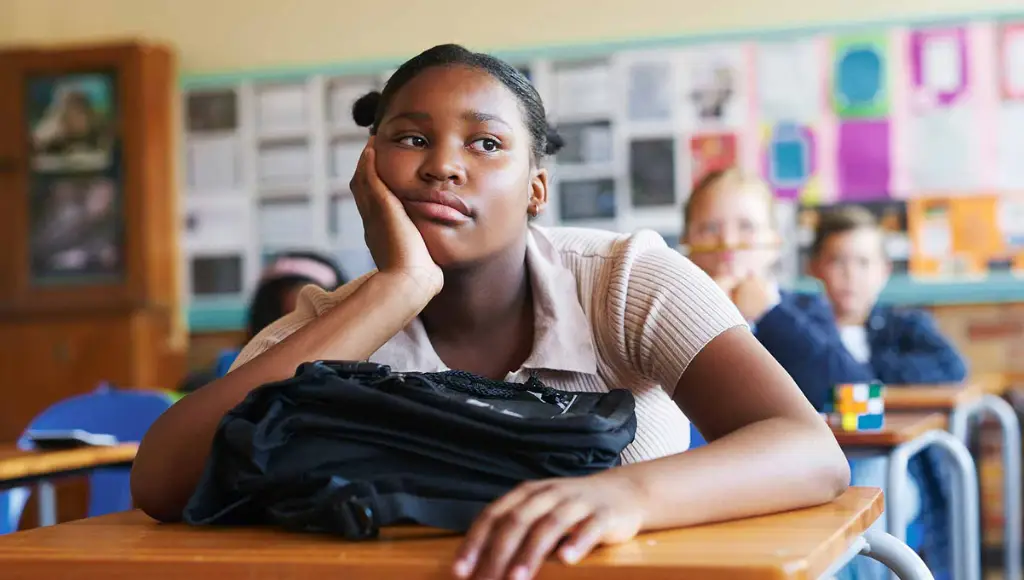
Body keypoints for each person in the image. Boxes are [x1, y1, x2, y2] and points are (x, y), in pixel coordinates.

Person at [133, 44, 849, 580]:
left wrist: (623, 496)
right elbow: (161, 482)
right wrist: (400, 287)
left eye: (486, 144)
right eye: (411, 138)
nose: (444, 165)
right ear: (368, 169)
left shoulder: (627, 280)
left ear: (536, 190)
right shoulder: (335, 321)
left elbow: (810, 449)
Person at [681, 170, 963, 578]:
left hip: (794, 476)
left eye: (746, 227)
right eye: (710, 228)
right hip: (705, 480)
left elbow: (854, 393)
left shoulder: (803, 312)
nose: (728, 243)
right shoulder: (666, 313)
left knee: (867, 482)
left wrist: (769, 314)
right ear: (688, 241)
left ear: (774, 244)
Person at [176, 251, 346, 392]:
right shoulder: (214, 382)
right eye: (279, 319)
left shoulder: (349, 381)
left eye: (306, 320)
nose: (289, 333)